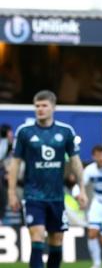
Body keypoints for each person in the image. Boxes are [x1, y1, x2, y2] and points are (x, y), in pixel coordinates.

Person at [7, 90, 88, 268]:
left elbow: (75, 162)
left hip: (57, 197)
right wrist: (11, 193)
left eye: (44, 105)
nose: (40, 109)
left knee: (56, 241)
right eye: (37, 106)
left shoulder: (66, 131)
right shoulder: (25, 132)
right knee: (37, 235)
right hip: (33, 195)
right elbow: (15, 164)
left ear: (53, 107)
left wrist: (81, 189)